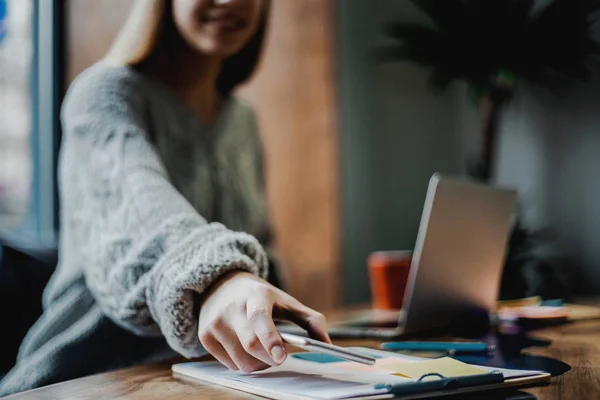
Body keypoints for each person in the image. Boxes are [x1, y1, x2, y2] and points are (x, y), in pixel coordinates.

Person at [0, 0, 331, 395]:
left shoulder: (242, 120)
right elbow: (140, 209)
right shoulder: (104, 95)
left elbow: (262, 246)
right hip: (89, 377)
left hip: (217, 374)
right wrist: (218, 279)